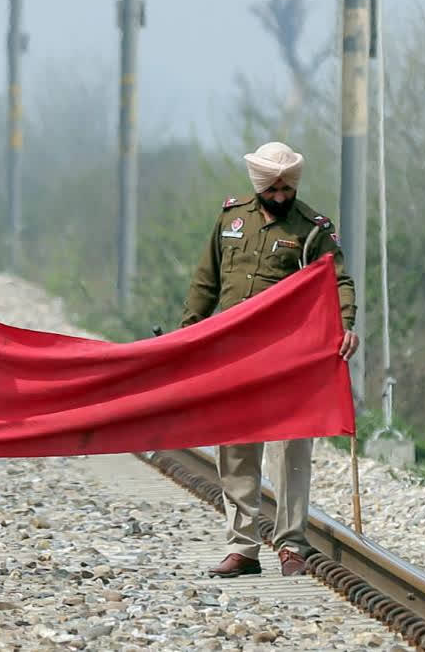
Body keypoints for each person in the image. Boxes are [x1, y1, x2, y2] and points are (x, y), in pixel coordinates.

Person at [179, 141, 359, 578]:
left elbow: (340, 281)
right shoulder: (230, 219)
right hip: (236, 355)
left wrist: (347, 324)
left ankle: (291, 543)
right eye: (272, 187)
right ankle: (243, 546)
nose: (280, 194)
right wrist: (189, 334)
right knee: (236, 448)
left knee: (291, 450)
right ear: (258, 185)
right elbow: (207, 280)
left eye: (286, 186)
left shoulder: (313, 229)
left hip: (290, 358)